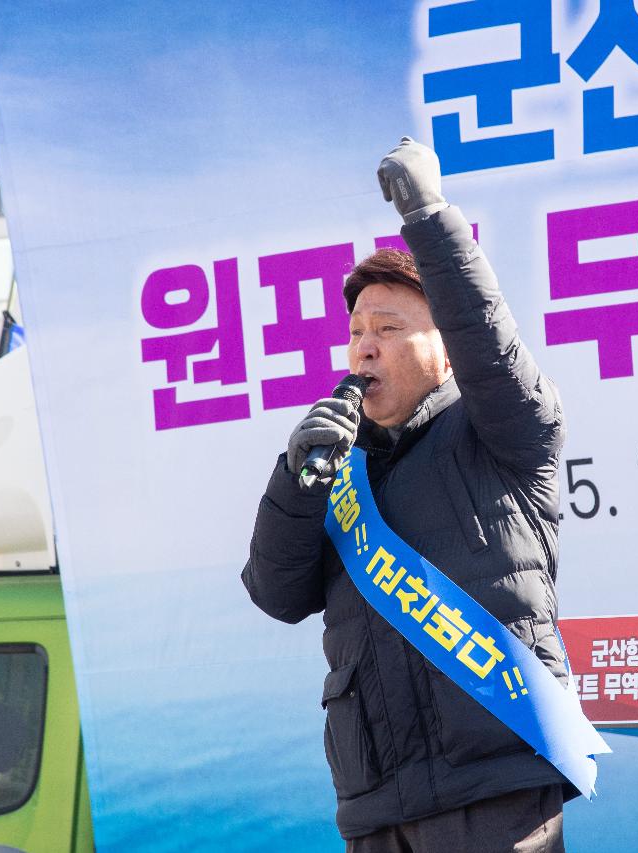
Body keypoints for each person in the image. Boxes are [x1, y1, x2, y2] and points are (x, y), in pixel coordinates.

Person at [242, 137, 570, 852]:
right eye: (356, 331)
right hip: (377, 808)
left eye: (389, 329)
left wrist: (428, 216)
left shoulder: (498, 434)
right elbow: (274, 591)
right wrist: (297, 475)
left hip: (496, 792)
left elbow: (491, 344)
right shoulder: (339, 472)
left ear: (445, 348)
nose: (364, 347)